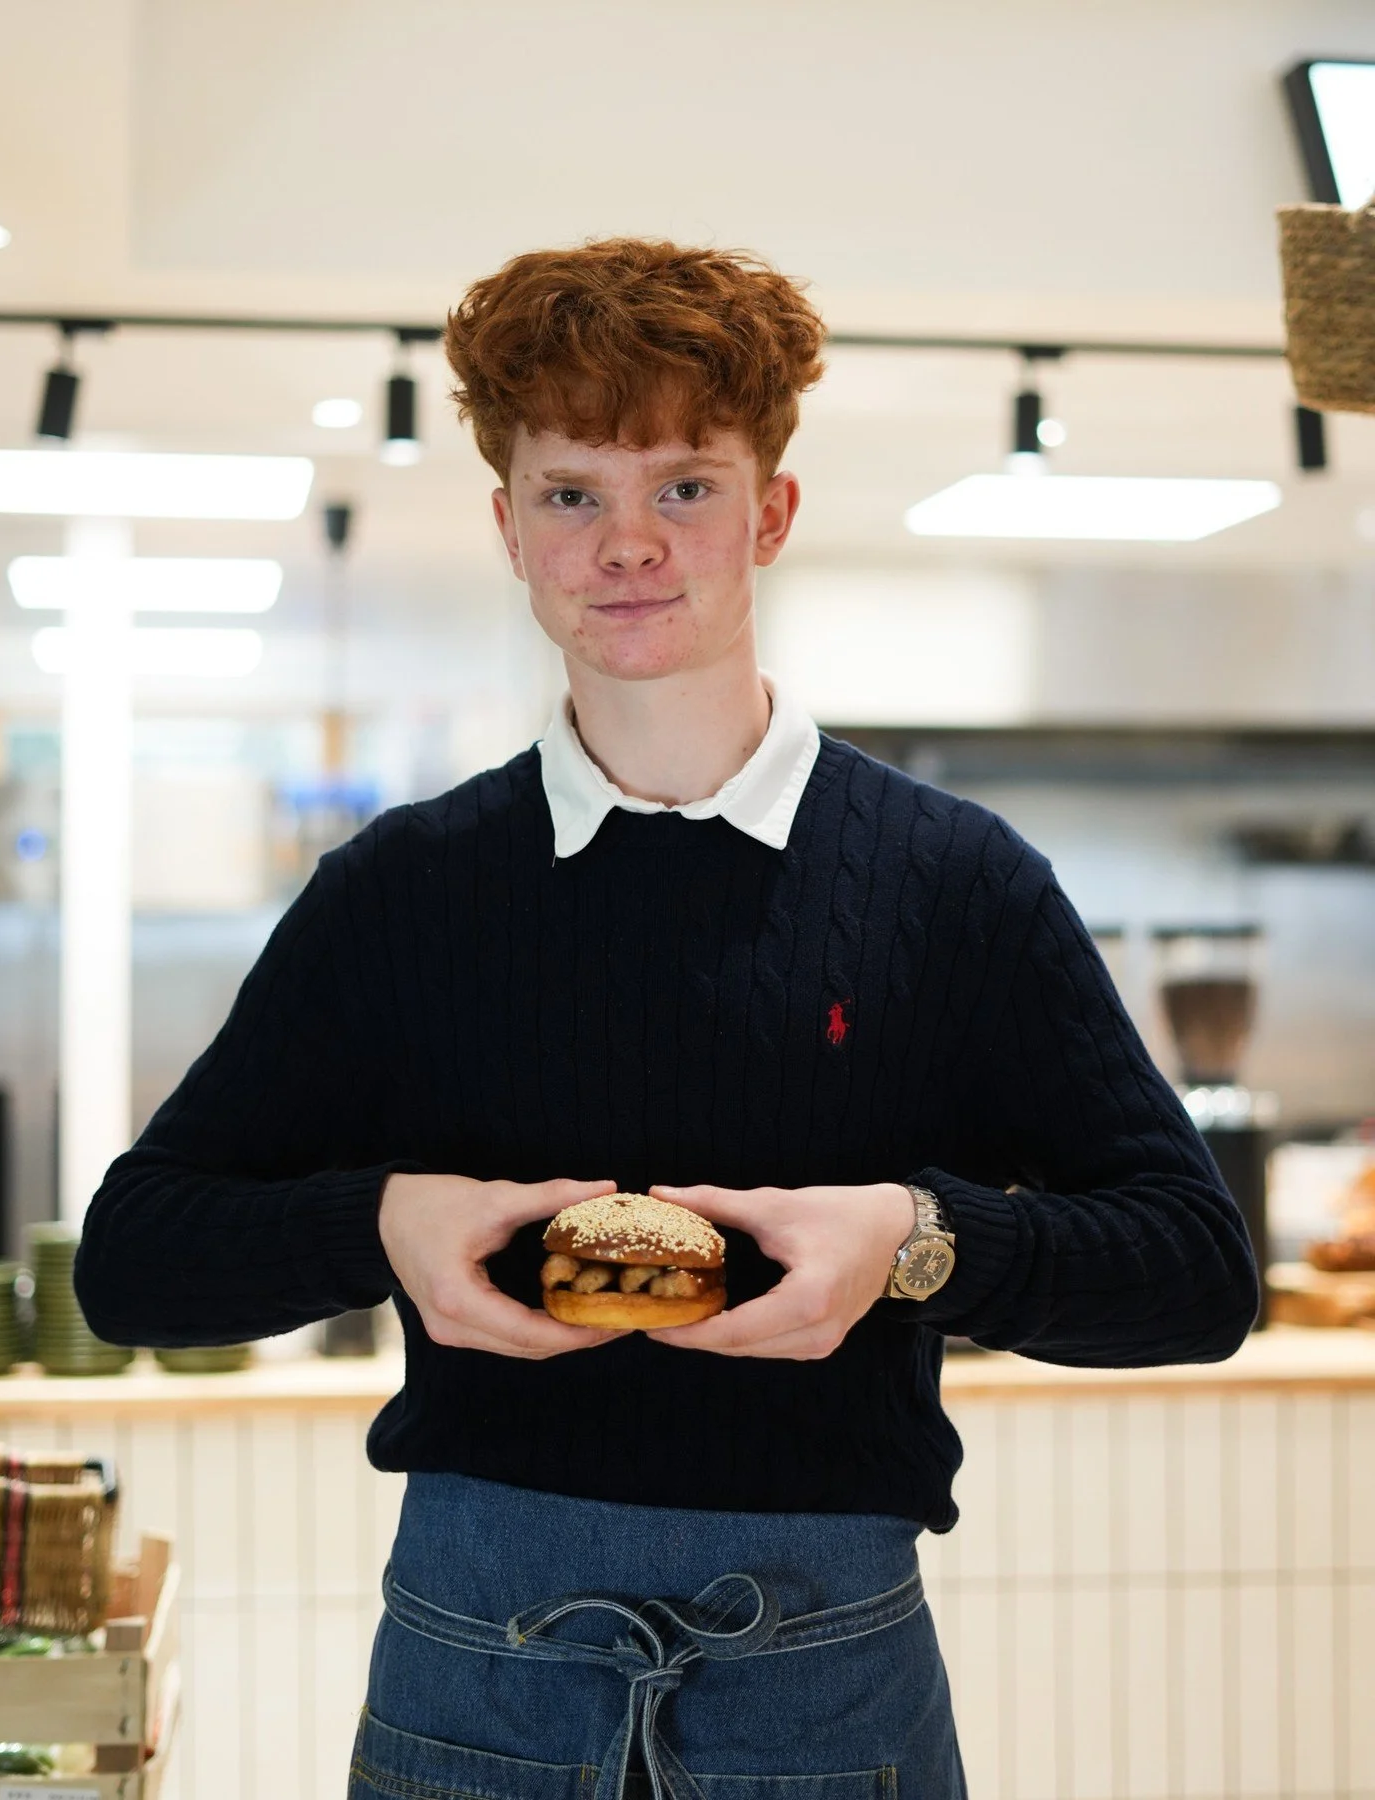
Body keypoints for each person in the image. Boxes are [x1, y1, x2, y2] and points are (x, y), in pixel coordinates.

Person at [73, 238, 1259, 1800]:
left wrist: (918, 1240)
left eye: (685, 487)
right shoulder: (407, 891)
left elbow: (1195, 1271)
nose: (627, 543)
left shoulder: (952, 884)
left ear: (769, 510)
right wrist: (387, 1225)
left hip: (827, 1693)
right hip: (471, 1682)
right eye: (574, 493)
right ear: (508, 525)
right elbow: (135, 1257)